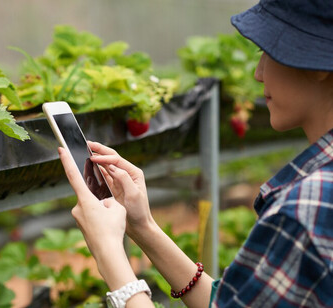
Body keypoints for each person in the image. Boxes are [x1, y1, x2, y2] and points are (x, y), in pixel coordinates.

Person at [58, 0, 333, 307]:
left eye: (267, 52)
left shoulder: (306, 210)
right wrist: (143, 226)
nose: (258, 73)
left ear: (320, 66)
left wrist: (109, 252)